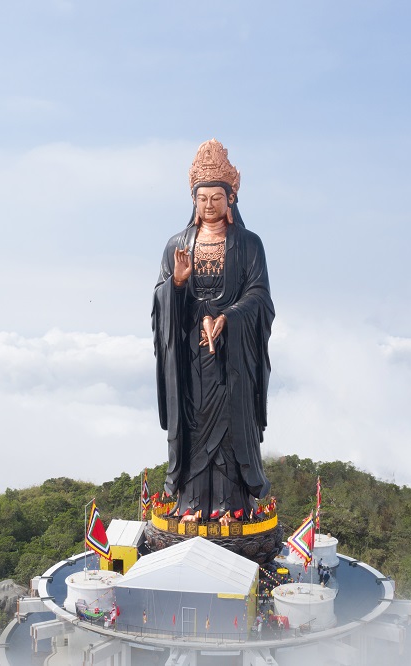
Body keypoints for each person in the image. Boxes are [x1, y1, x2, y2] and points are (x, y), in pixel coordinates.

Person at [152, 139, 275, 524]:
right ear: (193, 200)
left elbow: (259, 295)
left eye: (216, 198)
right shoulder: (176, 244)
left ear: (231, 198)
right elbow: (160, 299)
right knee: (192, 424)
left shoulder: (249, 244)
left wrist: (229, 317)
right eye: (202, 198)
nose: (209, 205)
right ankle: (190, 504)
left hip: (232, 356)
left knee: (230, 427)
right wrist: (177, 283)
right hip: (190, 357)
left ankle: (232, 506)